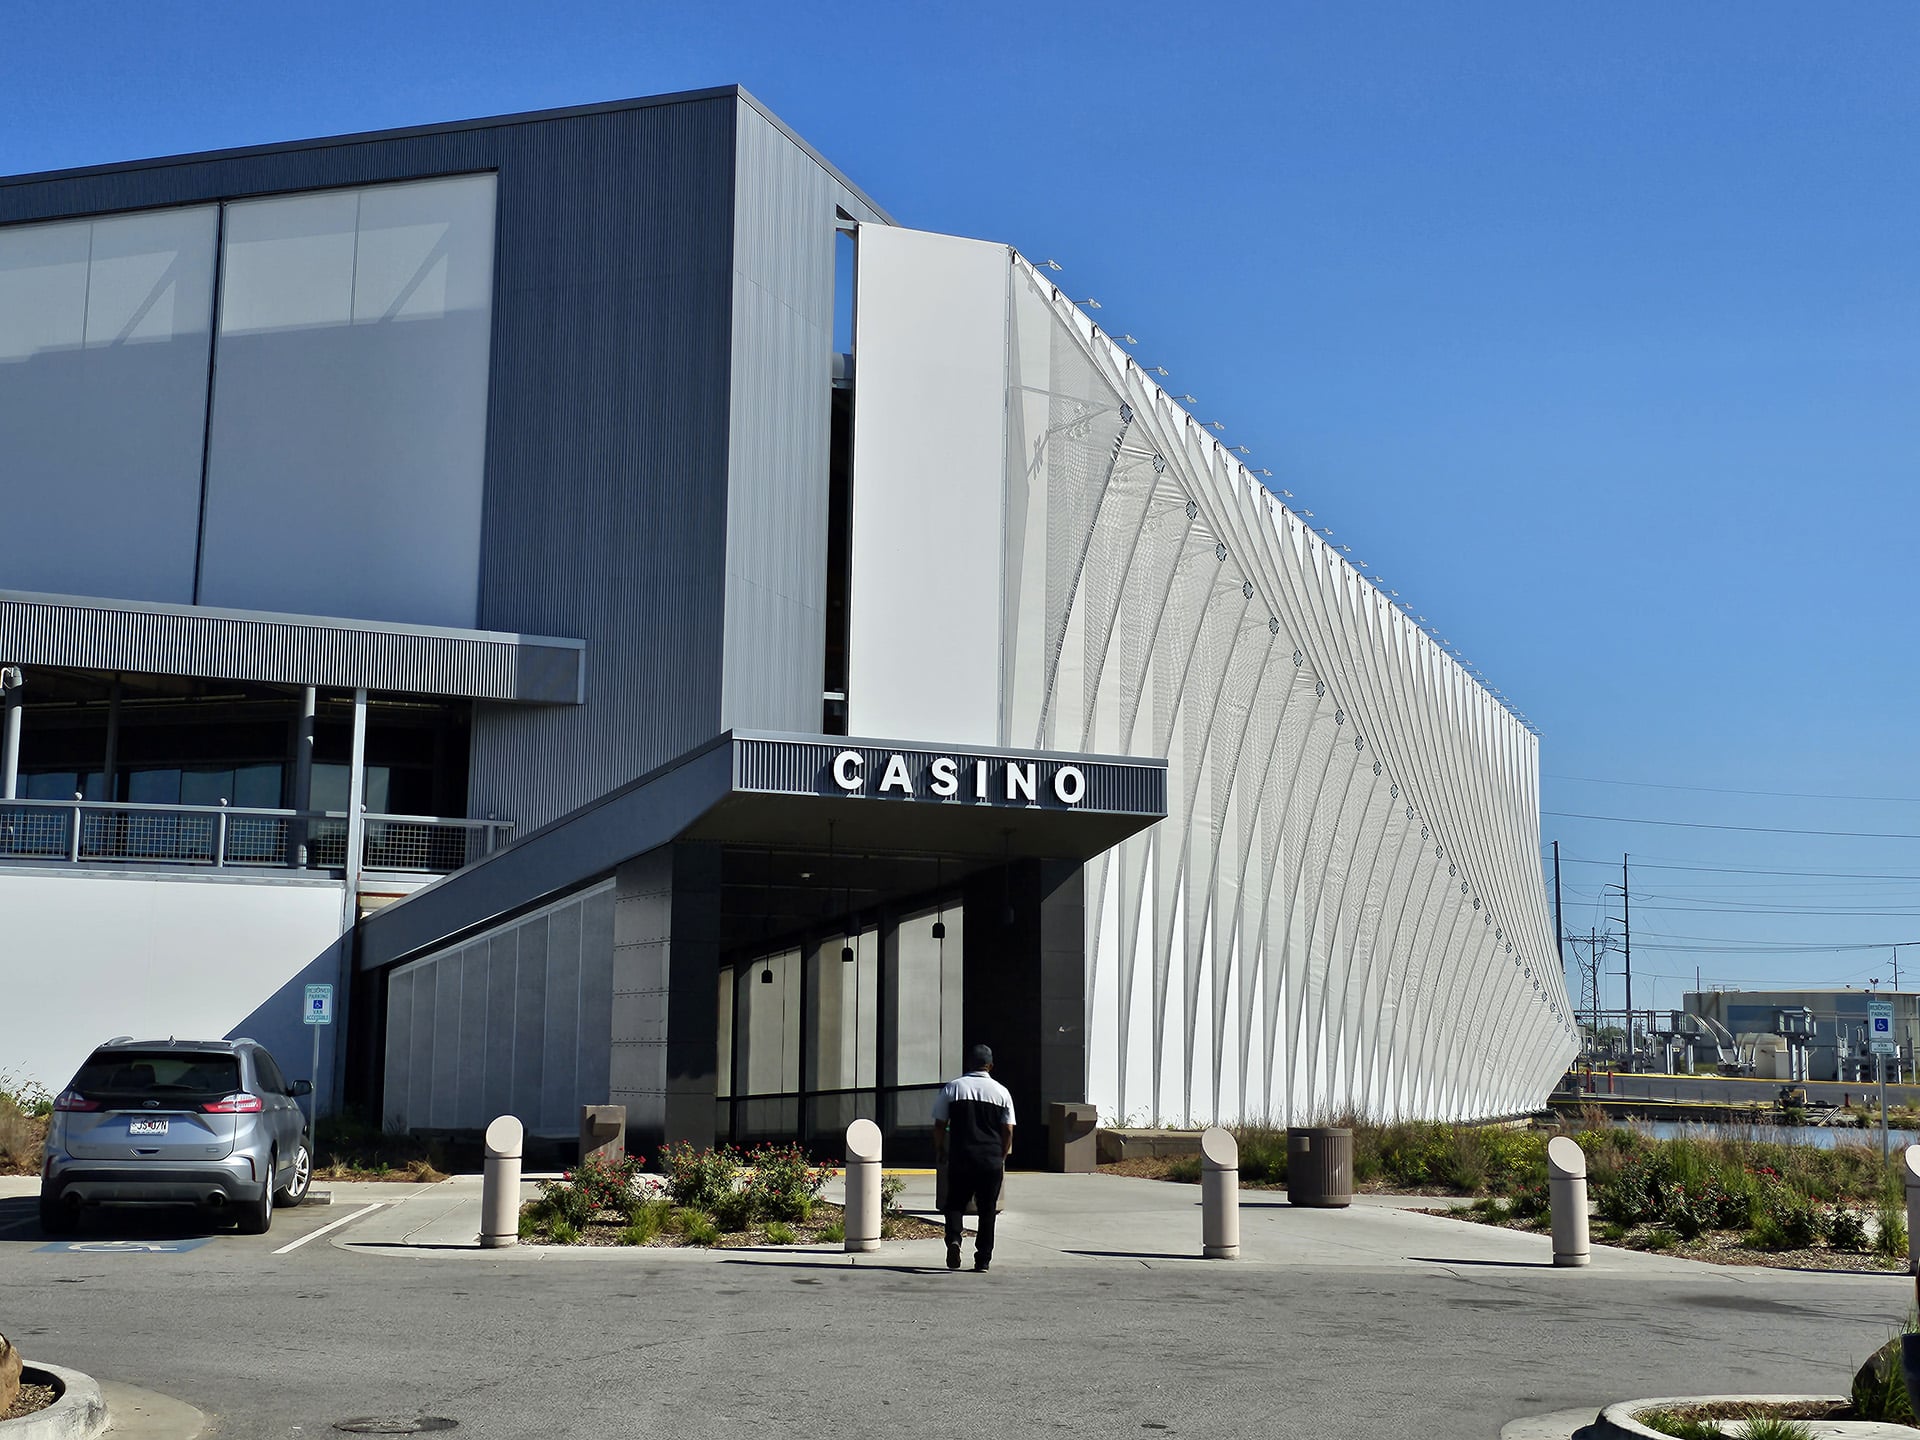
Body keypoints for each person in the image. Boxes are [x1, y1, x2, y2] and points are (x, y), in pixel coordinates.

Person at [931, 1043, 1016, 1272]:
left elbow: (940, 1124)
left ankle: (954, 1239)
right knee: (987, 1210)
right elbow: (1008, 1129)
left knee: (955, 1203)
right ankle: (983, 1259)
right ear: (990, 1066)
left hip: (961, 1156)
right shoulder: (1001, 1092)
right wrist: (1002, 1155)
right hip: (990, 1159)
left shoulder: (953, 1088)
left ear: (968, 1063)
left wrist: (940, 1149)